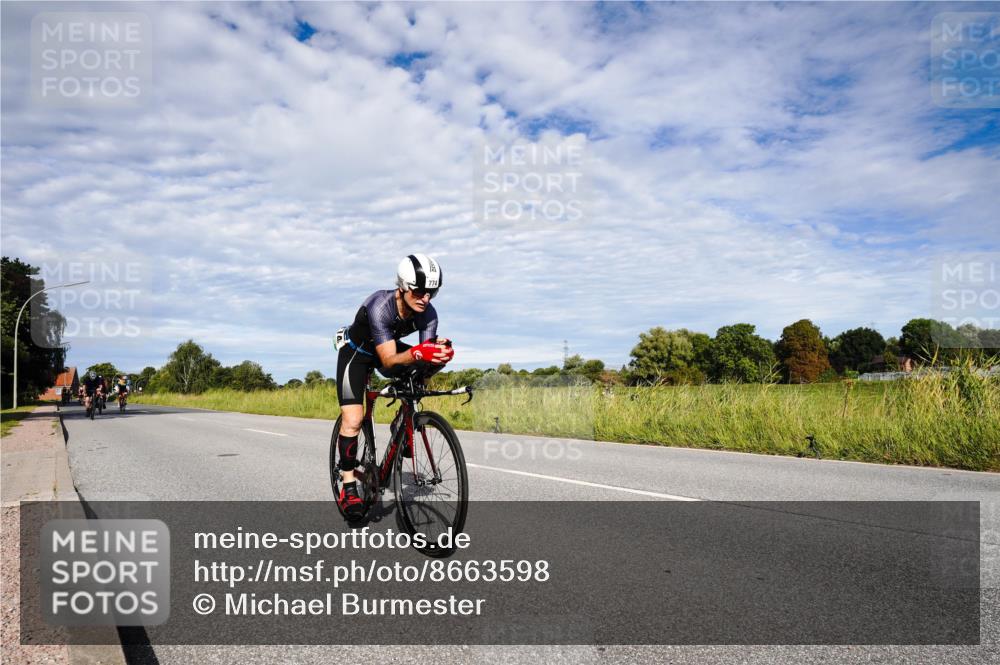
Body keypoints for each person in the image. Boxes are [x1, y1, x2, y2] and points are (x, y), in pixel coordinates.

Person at [334, 254, 454, 518]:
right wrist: (419, 353)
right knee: (353, 420)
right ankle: (349, 485)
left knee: (428, 362)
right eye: (420, 291)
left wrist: (436, 357)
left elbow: (421, 357)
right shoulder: (380, 306)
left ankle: (405, 420)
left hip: (386, 350)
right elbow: (388, 363)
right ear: (403, 287)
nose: (426, 298)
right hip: (356, 354)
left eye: (432, 292)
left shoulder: (428, 313)